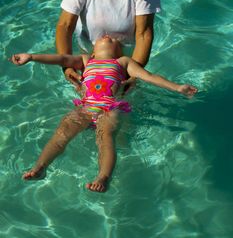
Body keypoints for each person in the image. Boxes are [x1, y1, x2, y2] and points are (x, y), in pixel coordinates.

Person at [10, 36, 197, 192]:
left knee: (105, 138)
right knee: (62, 133)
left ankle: (103, 177)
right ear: (93, 49)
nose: (109, 36)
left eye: (115, 40)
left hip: (110, 108)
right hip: (85, 108)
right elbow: (61, 59)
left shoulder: (123, 62)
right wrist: (32, 56)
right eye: (104, 36)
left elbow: (148, 76)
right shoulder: (86, 60)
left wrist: (177, 87)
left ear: (119, 51)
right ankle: (41, 167)